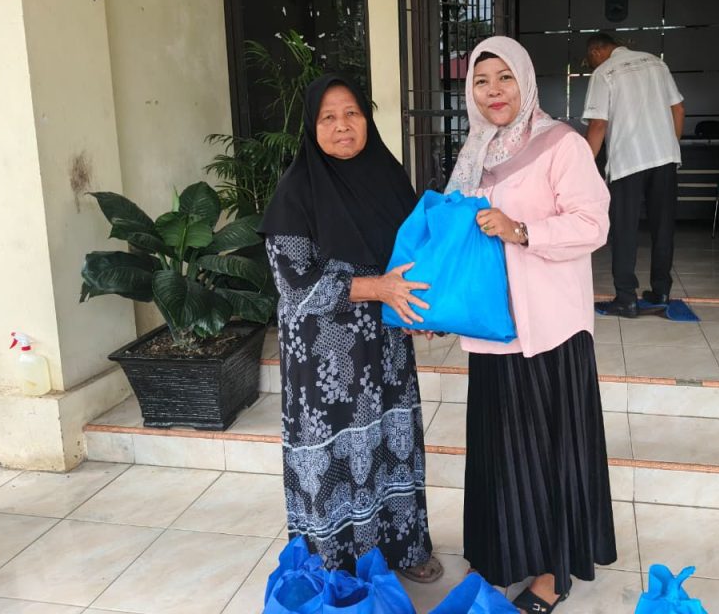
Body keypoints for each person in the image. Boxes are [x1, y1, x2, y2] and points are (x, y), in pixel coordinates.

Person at [447, 36, 616, 613]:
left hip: (548, 331)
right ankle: (501, 556)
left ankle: (550, 574)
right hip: (491, 328)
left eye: (504, 78)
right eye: (481, 81)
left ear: (525, 81)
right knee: (500, 454)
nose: (493, 92)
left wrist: (522, 231)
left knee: (548, 456)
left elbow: (593, 223)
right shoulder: (475, 151)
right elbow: (459, 233)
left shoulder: (560, 143)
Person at [260, 73, 443, 583]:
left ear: (367, 119)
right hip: (327, 357)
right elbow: (295, 286)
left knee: (392, 442)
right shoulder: (296, 190)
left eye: (352, 114)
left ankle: (403, 548)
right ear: (312, 126)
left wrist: (421, 309)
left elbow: (414, 258)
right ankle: (338, 566)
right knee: (339, 454)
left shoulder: (389, 177)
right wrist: (379, 288)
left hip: (385, 345)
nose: (342, 126)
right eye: (328, 117)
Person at [583, 33, 685, 318]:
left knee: (624, 230)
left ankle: (626, 299)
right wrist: (670, 146)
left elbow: (598, 125)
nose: (590, 65)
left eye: (589, 59)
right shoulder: (657, 64)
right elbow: (678, 109)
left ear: (597, 51)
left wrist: (582, 166)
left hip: (628, 162)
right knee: (663, 227)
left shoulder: (604, 72)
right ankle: (661, 291)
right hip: (665, 159)